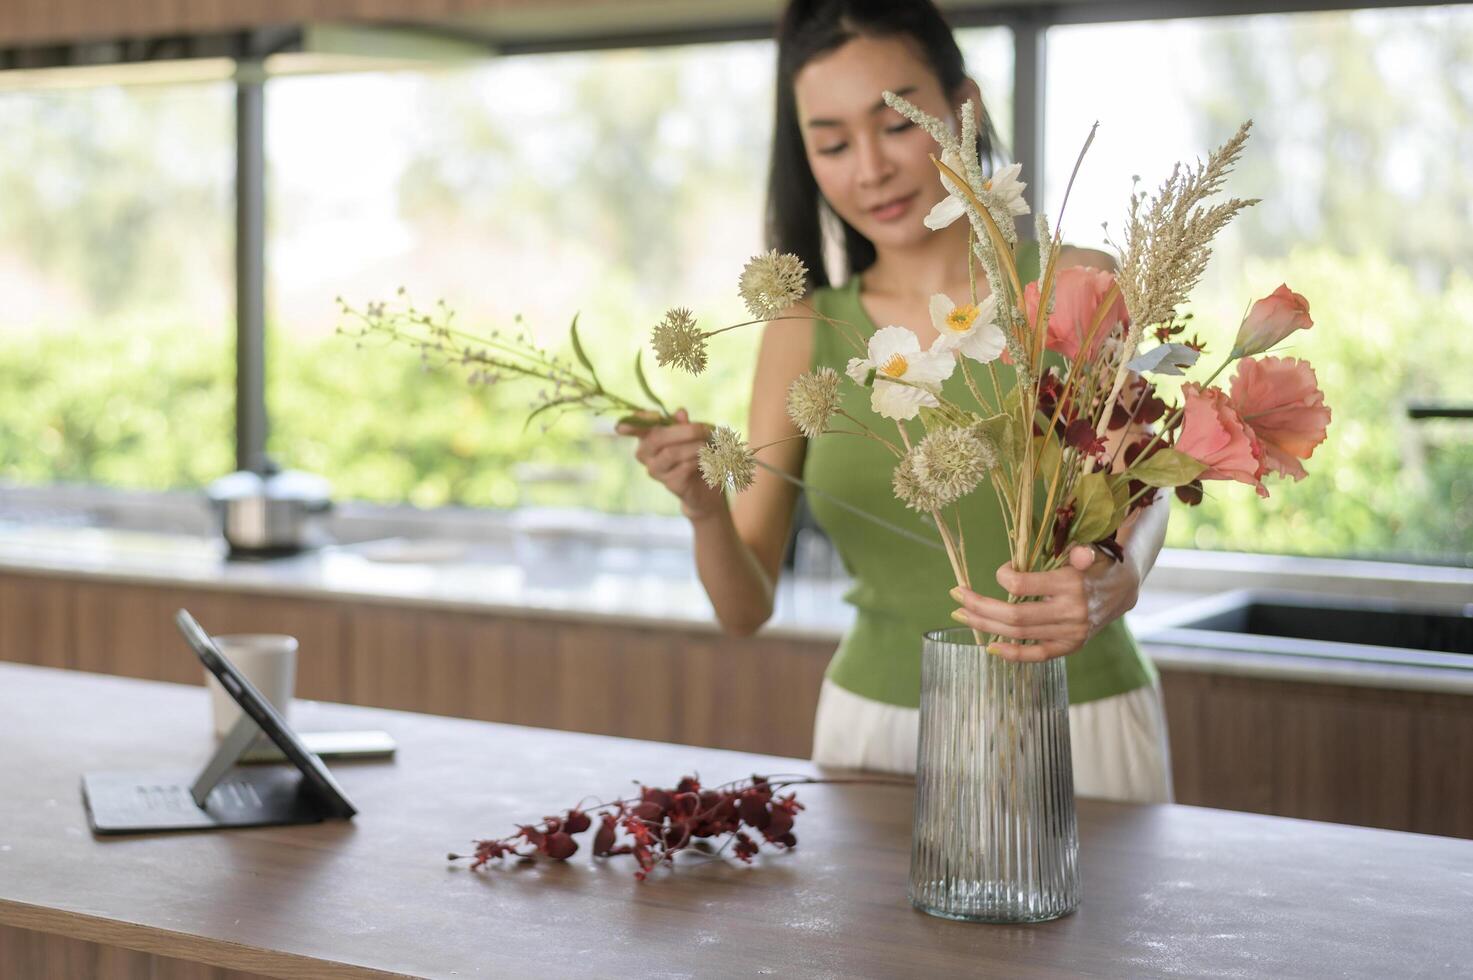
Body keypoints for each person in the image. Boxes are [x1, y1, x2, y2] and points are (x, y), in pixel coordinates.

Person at [620, 0, 1173, 804]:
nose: (869, 168)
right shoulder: (803, 328)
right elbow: (745, 609)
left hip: (1078, 718)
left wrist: (1115, 579)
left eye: (895, 124)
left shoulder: (1076, 280)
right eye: (833, 143)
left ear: (964, 108)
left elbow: (1145, 486)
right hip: (875, 739)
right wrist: (705, 508)